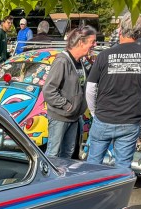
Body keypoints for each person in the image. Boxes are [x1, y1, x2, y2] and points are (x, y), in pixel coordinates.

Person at [86, 13, 141, 170]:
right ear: (139, 33)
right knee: (122, 169)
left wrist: (93, 112)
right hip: (130, 121)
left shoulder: (104, 55)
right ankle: (119, 186)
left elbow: (90, 88)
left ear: (120, 30)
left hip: (103, 118)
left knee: (92, 166)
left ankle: (91, 186)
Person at [42, 26, 96, 158]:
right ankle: (46, 173)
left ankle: (62, 173)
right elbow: (49, 90)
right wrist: (67, 106)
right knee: (53, 154)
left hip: (74, 117)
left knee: (67, 154)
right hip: (60, 117)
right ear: (81, 42)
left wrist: (93, 65)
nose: (95, 45)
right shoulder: (62, 61)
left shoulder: (81, 62)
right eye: (92, 41)